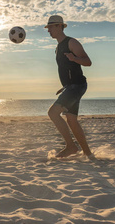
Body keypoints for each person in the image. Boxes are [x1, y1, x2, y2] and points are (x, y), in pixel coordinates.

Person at [45, 15, 94, 159]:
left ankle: (71, 146)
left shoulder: (71, 42)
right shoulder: (58, 47)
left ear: (60, 26)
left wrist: (75, 58)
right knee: (72, 120)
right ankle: (88, 153)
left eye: (51, 27)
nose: (48, 30)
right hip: (71, 87)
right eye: (47, 28)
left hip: (77, 86)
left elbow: (88, 62)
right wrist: (65, 86)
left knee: (53, 113)